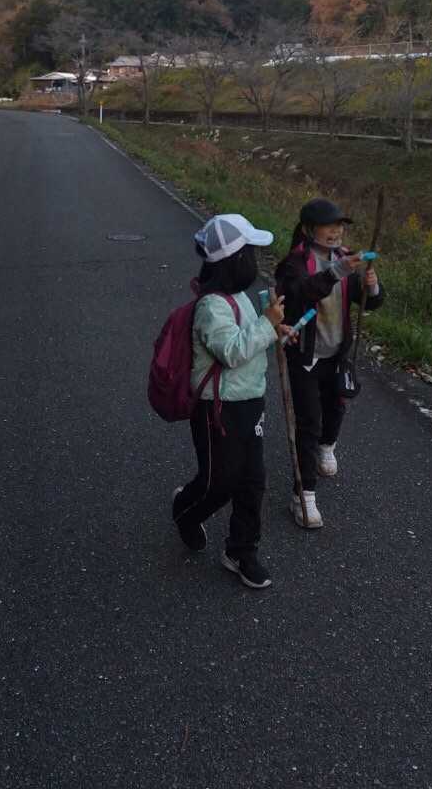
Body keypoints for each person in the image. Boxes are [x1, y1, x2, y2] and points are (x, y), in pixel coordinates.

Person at [172, 213, 292, 589]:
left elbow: (250, 338)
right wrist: (266, 324)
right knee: (219, 481)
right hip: (216, 407)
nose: (254, 263)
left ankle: (242, 550)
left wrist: (275, 329)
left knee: (252, 480)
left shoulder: (239, 297)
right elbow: (232, 351)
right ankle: (186, 510)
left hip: (249, 401)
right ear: (236, 261)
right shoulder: (211, 306)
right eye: (251, 255)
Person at [274, 197, 385, 528]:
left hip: (337, 353)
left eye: (340, 226)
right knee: (308, 422)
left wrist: (372, 287)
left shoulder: (344, 258)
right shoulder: (294, 263)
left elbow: (368, 302)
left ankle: (327, 446)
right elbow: (300, 294)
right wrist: (338, 271)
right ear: (310, 230)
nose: (336, 232)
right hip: (305, 357)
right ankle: (303, 495)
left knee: (336, 407)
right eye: (329, 226)